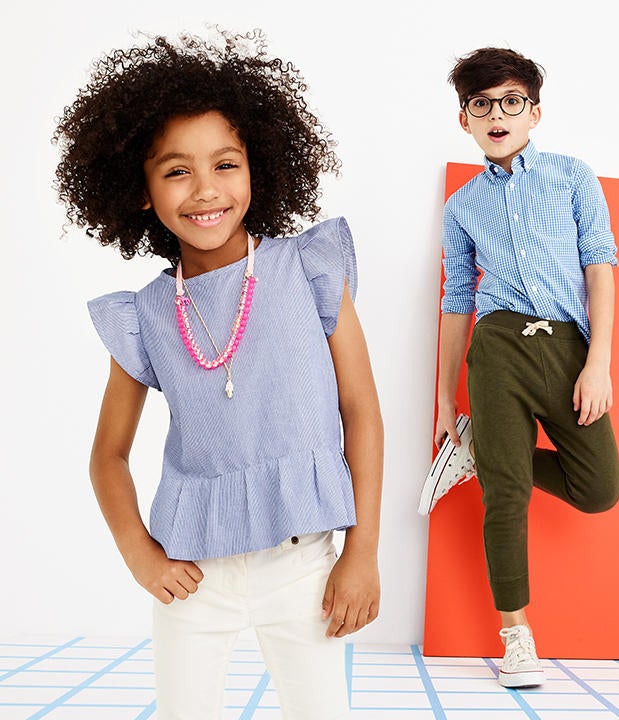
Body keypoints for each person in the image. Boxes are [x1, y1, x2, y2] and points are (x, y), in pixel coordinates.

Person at [53, 30, 383, 720]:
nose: (206, 190)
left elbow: (361, 410)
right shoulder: (144, 315)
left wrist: (362, 552)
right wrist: (140, 554)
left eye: (226, 164)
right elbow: (107, 455)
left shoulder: (308, 269)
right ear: (140, 191)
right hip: (193, 575)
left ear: (258, 167)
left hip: (303, 564)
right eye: (177, 171)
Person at [419, 47, 619, 688]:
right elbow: (457, 300)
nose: (496, 115)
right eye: (481, 105)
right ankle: (517, 637)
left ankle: (481, 454)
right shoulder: (462, 207)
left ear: (534, 112)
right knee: (506, 496)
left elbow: (600, 265)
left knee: (600, 489)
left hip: (567, 350)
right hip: (499, 347)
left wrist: (598, 362)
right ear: (465, 120)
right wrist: (446, 398)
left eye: (511, 101)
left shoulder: (571, 176)